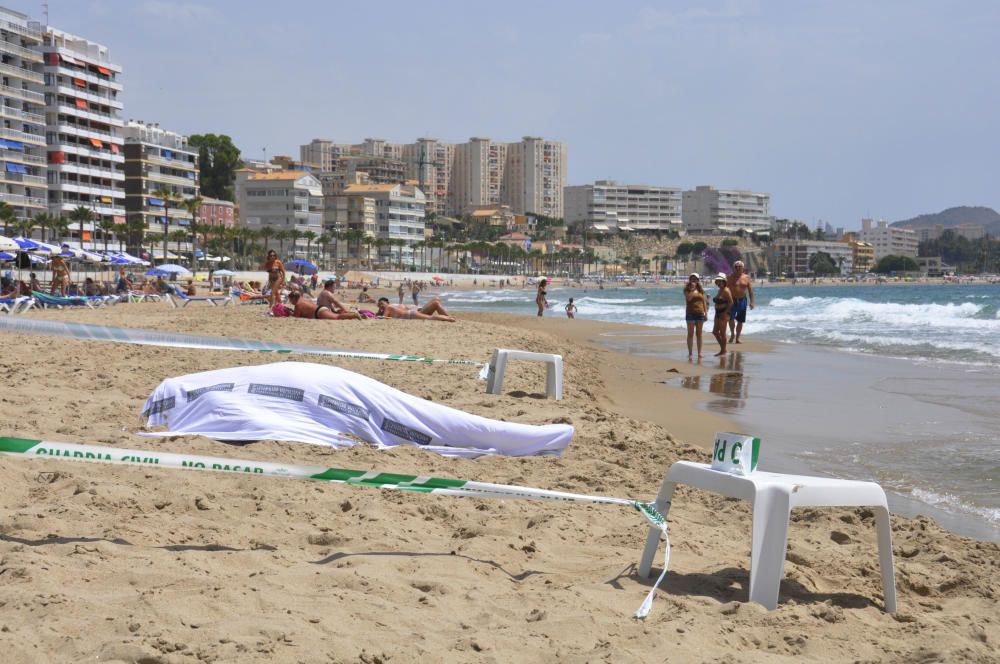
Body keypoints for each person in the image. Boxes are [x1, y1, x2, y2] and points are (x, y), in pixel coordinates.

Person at [726, 260, 754, 344]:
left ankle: (737, 338)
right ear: (734, 268)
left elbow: (750, 291)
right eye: (736, 267)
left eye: (739, 267)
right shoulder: (729, 277)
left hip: (742, 300)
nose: (738, 268)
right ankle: (732, 334)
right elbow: (725, 289)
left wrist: (752, 302)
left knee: (740, 320)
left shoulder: (746, 277)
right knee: (731, 319)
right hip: (731, 300)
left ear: (743, 268)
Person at [287, 290, 363, 320]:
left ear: (293, 298)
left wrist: (289, 313)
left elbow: (296, 316)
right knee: (337, 316)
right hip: (321, 309)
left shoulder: (298, 304)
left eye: (290, 300)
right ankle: (357, 316)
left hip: (319, 312)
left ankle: (354, 315)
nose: (291, 302)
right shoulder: (303, 299)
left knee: (337, 317)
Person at [684, 273, 709, 359]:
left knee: (699, 334)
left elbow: (704, 302)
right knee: (690, 334)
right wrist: (692, 289)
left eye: (695, 279)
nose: (693, 281)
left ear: (698, 280)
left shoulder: (701, 290)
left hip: (700, 314)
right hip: (690, 314)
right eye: (692, 279)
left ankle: (700, 353)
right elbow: (689, 299)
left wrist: (706, 313)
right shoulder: (687, 290)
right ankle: (690, 353)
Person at [376, 296, 456, 322]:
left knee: (431, 316)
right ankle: (448, 317)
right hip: (412, 313)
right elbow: (383, 317)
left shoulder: (390, 307)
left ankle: (448, 318)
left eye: (381, 304)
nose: (381, 306)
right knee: (435, 304)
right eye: (379, 305)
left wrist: (379, 312)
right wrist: (380, 311)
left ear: (387, 302)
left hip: (412, 313)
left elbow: (383, 317)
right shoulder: (391, 307)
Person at [711, 273, 734, 357]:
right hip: (717, 313)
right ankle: (723, 349)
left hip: (723, 313)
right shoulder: (719, 290)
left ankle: (723, 350)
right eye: (717, 282)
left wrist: (725, 312)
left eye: (720, 282)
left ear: (724, 282)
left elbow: (731, 302)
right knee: (715, 332)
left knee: (722, 333)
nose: (718, 283)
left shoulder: (726, 290)